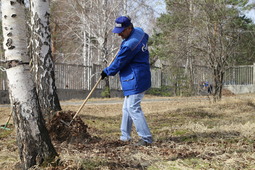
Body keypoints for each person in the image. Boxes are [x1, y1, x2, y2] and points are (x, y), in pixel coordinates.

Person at [101, 16, 153, 146]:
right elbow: (144, 35)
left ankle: (146, 138)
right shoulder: (139, 32)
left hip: (136, 78)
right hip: (139, 76)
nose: (119, 34)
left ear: (130, 28)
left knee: (133, 108)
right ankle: (125, 136)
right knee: (126, 108)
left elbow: (118, 63)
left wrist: (106, 71)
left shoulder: (129, 46)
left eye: (122, 31)